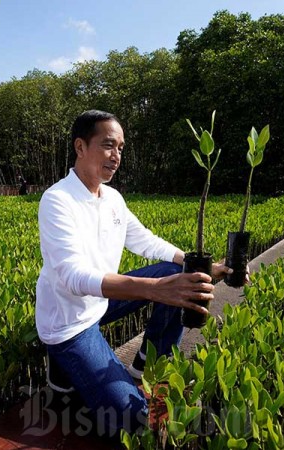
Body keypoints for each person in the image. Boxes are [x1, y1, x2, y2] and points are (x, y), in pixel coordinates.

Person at [35, 110, 233, 437]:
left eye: (121, 148)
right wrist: (155, 289)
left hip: (102, 302)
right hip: (69, 321)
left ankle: (144, 367)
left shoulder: (112, 198)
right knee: (138, 423)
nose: (117, 156)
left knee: (176, 270)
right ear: (80, 147)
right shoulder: (57, 200)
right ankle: (63, 368)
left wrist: (200, 267)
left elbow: (145, 240)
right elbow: (73, 276)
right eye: (109, 145)